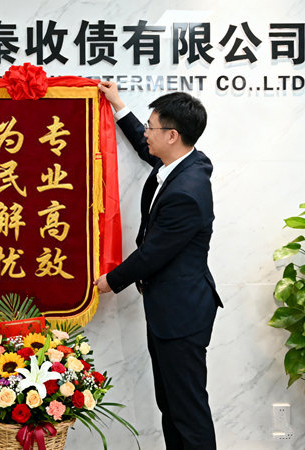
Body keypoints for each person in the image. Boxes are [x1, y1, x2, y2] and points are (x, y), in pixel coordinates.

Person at [95, 82, 223, 450]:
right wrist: (118, 104)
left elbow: (153, 253)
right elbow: (144, 145)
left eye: (151, 127)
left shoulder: (187, 191)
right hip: (171, 308)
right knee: (171, 404)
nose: (146, 134)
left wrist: (111, 280)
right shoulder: (179, 164)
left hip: (182, 313)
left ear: (172, 135)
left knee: (187, 410)